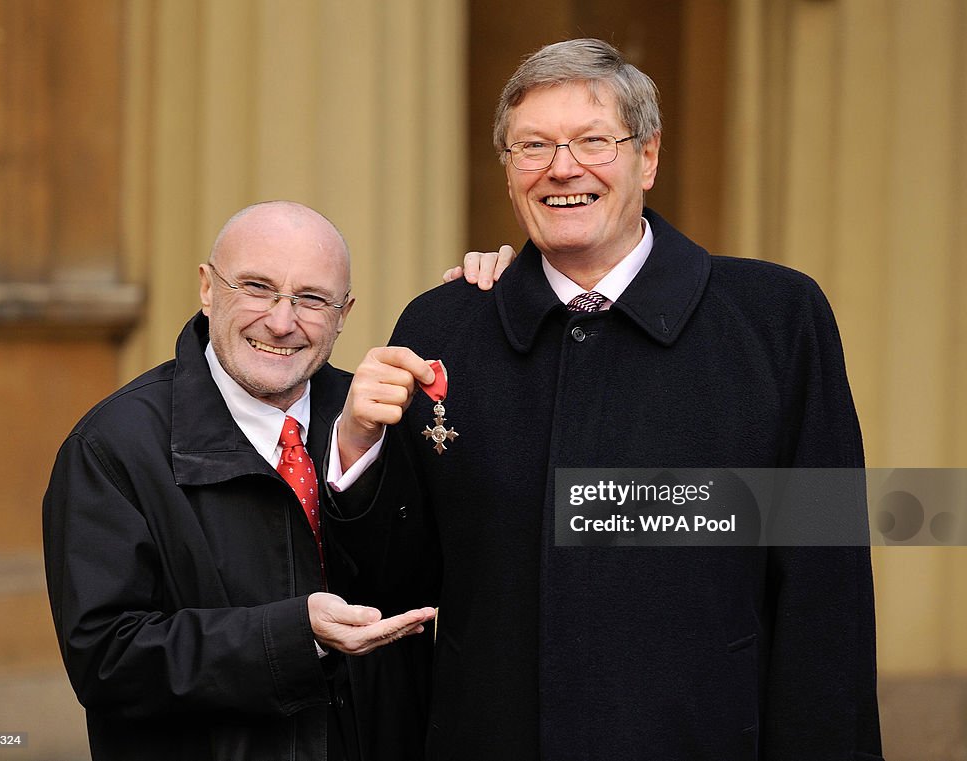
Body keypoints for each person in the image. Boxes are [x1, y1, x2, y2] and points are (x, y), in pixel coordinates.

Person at [329, 39, 885, 760]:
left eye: (593, 141)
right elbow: (393, 589)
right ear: (507, 172)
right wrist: (354, 449)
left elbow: (825, 593)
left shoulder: (779, 321)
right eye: (533, 146)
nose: (563, 168)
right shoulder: (442, 328)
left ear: (647, 157)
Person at [42, 200, 511, 761]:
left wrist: (504, 307)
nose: (282, 321)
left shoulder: (384, 420)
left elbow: (467, 574)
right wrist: (296, 637)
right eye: (257, 288)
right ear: (207, 288)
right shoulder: (112, 446)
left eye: (312, 298)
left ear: (344, 313)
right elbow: (106, 660)